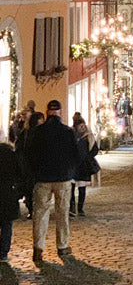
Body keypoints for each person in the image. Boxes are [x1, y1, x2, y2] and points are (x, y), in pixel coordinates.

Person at [27, 100, 79, 264]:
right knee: (62, 213)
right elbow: (75, 155)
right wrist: (70, 170)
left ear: (47, 112)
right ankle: (62, 246)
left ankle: (38, 248)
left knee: (40, 213)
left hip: (42, 178)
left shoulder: (38, 132)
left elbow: (29, 153)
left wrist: (35, 172)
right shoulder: (67, 132)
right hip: (62, 178)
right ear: (60, 112)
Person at [15, 111, 45, 219]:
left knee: (35, 189)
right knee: (30, 189)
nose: (42, 121)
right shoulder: (27, 133)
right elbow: (20, 149)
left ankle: (34, 209)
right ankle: (32, 209)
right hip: (29, 166)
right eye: (40, 119)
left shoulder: (41, 133)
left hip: (35, 166)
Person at [70, 118, 99, 218]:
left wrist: (88, 157)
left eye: (83, 125)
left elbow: (95, 149)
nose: (82, 127)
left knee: (82, 188)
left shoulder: (89, 137)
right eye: (80, 126)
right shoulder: (72, 136)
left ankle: (80, 208)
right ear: (76, 127)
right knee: (71, 188)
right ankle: (72, 208)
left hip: (83, 166)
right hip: (73, 166)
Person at [0, 141, 23, 262]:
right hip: (9, 194)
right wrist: (19, 193)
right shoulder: (13, 159)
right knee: (7, 224)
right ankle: (3, 252)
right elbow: (20, 175)